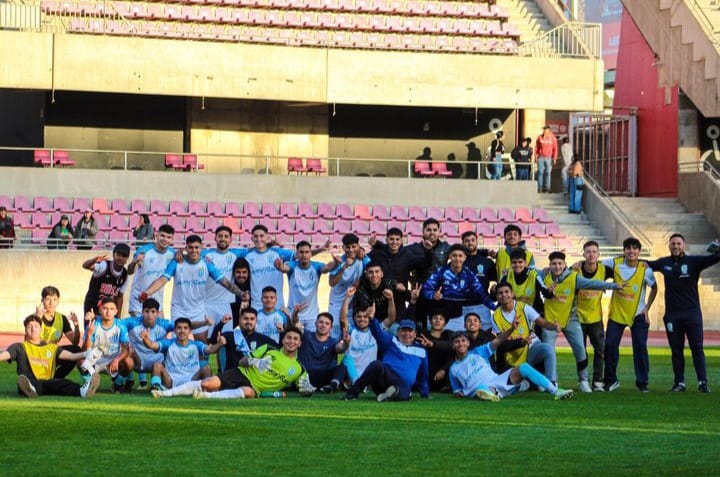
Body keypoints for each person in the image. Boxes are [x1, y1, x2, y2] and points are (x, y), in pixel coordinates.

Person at [152, 326, 312, 400]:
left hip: (256, 388)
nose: (291, 341)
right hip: (242, 373)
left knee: (248, 392)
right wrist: (254, 361)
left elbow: (304, 390)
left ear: (300, 344)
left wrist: (308, 390)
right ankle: (164, 393)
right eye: (288, 338)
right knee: (208, 383)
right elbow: (242, 362)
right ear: (283, 340)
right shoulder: (269, 349)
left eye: (295, 339)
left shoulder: (300, 369)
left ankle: (206, 397)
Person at [647, 233, 720, 392]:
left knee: (697, 348)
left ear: (683, 246)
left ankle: (702, 383)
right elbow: (647, 264)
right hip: (672, 315)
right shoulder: (664, 263)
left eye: (678, 244)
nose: (675, 246)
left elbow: (715, 258)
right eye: (673, 244)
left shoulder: (694, 262)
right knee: (676, 350)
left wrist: (717, 247)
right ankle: (679, 383)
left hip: (692, 314)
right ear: (669, 246)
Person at [140, 235, 247, 343]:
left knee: (202, 341)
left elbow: (225, 282)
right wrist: (147, 293)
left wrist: (239, 293)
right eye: (190, 247)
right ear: (186, 248)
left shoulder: (206, 264)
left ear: (201, 248)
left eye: (196, 247)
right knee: (177, 341)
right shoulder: (177, 262)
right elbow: (162, 280)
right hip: (179, 309)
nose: (193, 250)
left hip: (198, 309)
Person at [541, 251, 620, 392]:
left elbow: (592, 283)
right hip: (550, 321)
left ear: (565, 265)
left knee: (580, 349)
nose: (557, 267)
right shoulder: (543, 276)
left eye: (560, 263)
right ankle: (551, 381)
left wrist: (613, 286)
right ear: (549, 265)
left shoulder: (573, 277)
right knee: (548, 351)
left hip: (571, 319)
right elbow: (527, 272)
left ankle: (583, 381)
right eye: (554, 264)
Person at [449, 327, 573, 402]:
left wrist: (512, 329)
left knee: (524, 367)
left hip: (497, 380)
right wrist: (460, 394)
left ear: (468, 343)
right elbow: (458, 391)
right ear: (453, 345)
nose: (460, 344)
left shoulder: (478, 352)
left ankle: (555, 391)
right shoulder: (453, 369)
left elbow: (497, 341)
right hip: (479, 389)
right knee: (481, 390)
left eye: (463, 341)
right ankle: (493, 394)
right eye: (457, 342)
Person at [602, 237, 658, 392]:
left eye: (635, 248)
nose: (631, 251)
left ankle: (642, 383)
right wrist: (578, 263)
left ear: (639, 251)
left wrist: (647, 308)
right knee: (610, 345)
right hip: (617, 313)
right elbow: (594, 263)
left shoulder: (645, 269)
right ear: (624, 250)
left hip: (638, 315)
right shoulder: (615, 263)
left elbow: (655, 288)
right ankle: (611, 380)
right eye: (628, 248)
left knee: (640, 346)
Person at [0, 315, 100, 399]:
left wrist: (86, 354)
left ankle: (83, 391)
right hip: (29, 380)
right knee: (33, 383)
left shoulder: (51, 347)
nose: (32, 329)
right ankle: (29, 389)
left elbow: (71, 356)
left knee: (61, 383)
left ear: (40, 329)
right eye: (29, 327)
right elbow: (4, 355)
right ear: (25, 330)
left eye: (35, 326)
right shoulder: (18, 347)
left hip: (47, 381)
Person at [341, 319, 429, 402]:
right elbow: (378, 333)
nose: (407, 333)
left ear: (415, 334)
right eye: (404, 330)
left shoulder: (421, 351)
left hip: (403, 385)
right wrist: (372, 319)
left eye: (410, 331)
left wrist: (424, 393)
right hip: (385, 379)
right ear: (398, 332)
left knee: (404, 391)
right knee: (376, 364)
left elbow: (423, 374)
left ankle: (390, 394)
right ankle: (353, 393)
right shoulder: (391, 341)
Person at [491, 282, 559, 382]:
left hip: (531, 348)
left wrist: (554, 326)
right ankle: (528, 381)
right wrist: (518, 340)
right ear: (497, 296)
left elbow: (542, 322)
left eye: (506, 292)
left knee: (547, 349)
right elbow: (501, 343)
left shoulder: (524, 307)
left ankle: (552, 382)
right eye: (500, 293)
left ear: (512, 294)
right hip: (513, 356)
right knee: (521, 387)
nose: (504, 295)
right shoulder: (495, 316)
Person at [422, 244, 497, 331]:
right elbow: (425, 290)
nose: (457, 259)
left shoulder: (469, 275)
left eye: (460, 256)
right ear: (450, 256)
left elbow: (481, 294)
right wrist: (433, 295)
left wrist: (495, 308)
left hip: (457, 317)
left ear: (465, 257)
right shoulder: (440, 272)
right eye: (454, 256)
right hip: (438, 317)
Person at [142, 317, 224, 392]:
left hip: (192, 380)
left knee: (206, 368)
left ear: (190, 331)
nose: (182, 331)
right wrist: (146, 339)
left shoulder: (196, 344)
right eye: (179, 328)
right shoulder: (168, 343)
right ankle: (155, 388)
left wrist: (219, 344)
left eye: (185, 328)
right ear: (174, 330)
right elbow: (152, 345)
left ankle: (208, 391)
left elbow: (210, 350)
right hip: (171, 381)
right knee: (157, 365)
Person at [575, 240, 615, 392]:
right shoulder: (575, 270)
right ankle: (583, 380)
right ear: (583, 254)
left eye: (594, 252)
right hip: (578, 317)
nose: (591, 254)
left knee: (600, 349)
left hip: (595, 317)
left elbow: (622, 273)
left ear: (599, 254)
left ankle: (598, 381)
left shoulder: (605, 270)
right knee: (581, 350)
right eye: (588, 252)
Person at [274, 240, 337, 331]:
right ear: (297, 254)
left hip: (312, 316)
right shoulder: (292, 266)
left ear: (310, 253)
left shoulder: (316, 266)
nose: (304, 255)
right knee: (294, 342)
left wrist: (335, 263)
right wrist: (279, 266)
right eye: (301, 252)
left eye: (307, 252)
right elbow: (284, 268)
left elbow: (327, 268)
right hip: (294, 314)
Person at [368, 227, 431, 317]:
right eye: (391, 239)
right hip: (380, 299)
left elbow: (424, 265)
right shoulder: (378, 253)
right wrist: (361, 250)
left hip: (400, 300)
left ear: (402, 240)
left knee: (398, 328)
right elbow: (364, 260)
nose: (394, 242)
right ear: (386, 240)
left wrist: (427, 251)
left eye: (397, 239)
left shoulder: (407, 255)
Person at [202, 226, 251, 334]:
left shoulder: (235, 254)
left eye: (226, 236)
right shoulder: (205, 255)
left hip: (226, 303)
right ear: (215, 238)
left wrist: (270, 244)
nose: (223, 239)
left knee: (226, 337)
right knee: (208, 337)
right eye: (220, 236)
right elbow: (188, 254)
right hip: (207, 302)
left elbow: (256, 248)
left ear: (230, 239)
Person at [119, 298, 175, 391]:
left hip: (157, 361)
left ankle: (156, 385)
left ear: (158, 313)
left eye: (153, 312)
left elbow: (184, 326)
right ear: (142, 312)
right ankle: (119, 383)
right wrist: (96, 320)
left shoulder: (164, 324)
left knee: (172, 349)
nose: (150, 315)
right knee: (128, 352)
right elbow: (115, 323)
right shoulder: (133, 322)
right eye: (147, 311)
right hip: (137, 360)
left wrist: (204, 323)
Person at [82, 298, 132, 392]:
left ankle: (117, 384)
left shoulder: (120, 326)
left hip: (112, 362)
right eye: (105, 308)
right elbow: (85, 349)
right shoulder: (93, 324)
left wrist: (117, 359)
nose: (108, 312)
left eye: (112, 309)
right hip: (95, 360)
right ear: (100, 310)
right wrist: (89, 335)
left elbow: (126, 349)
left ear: (116, 311)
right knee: (80, 360)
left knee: (129, 362)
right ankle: (89, 384)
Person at [33, 285, 82, 378]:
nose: (51, 303)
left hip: (52, 353)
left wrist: (76, 325)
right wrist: (37, 318)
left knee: (76, 350)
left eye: (55, 299)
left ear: (58, 301)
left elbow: (75, 342)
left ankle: (56, 378)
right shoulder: (34, 318)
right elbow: (30, 340)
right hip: (37, 355)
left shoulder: (61, 318)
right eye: (48, 299)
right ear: (42, 301)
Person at [127, 224, 175, 317]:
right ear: (156, 235)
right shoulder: (144, 250)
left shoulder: (172, 254)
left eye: (169, 237)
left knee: (160, 330)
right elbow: (130, 271)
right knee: (139, 330)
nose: (165, 239)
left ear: (172, 239)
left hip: (157, 300)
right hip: (138, 299)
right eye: (162, 236)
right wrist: (134, 262)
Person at [209, 306, 276, 372]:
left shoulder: (262, 338)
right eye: (246, 319)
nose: (249, 322)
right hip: (231, 376)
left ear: (256, 321)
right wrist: (221, 324)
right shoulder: (230, 335)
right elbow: (212, 341)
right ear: (240, 319)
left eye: (252, 319)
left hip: (251, 378)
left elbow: (279, 348)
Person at [328, 233, 370, 339]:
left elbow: (371, 274)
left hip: (353, 303)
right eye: (348, 247)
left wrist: (360, 280)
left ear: (358, 246)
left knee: (351, 333)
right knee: (336, 334)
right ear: (343, 248)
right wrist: (344, 267)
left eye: (354, 246)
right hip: (336, 303)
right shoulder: (338, 262)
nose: (351, 250)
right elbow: (331, 283)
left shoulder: (364, 259)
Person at [295, 312, 349, 394]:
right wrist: (295, 313)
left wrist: (346, 343)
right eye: (321, 322)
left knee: (342, 367)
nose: (323, 325)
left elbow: (340, 348)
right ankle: (339, 385)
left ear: (330, 327)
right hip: (307, 376)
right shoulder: (306, 336)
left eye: (327, 324)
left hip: (324, 377)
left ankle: (332, 386)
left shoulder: (333, 342)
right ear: (316, 324)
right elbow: (296, 324)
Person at [339, 288, 384, 384]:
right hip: (353, 373)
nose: (362, 319)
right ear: (354, 318)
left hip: (370, 374)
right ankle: (356, 383)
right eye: (359, 316)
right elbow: (343, 319)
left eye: (365, 317)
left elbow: (391, 319)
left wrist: (390, 299)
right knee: (346, 358)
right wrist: (347, 298)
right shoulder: (351, 331)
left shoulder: (375, 331)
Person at [81, 243, 131, 321]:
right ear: (114, 255)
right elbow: (85, 266)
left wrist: (118, 317)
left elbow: (119, 296)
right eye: (118, 254)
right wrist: (94, 260)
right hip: (92, 306)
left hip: (108, 310)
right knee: (90, 330)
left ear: (127, 258)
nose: (120, 258)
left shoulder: (125, 275)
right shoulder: (104, 266)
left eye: (124, 256)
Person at [461, 231, 497, 331]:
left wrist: (493, 292)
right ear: (462, 243)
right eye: (467, 241)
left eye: (473, 240)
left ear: (477, 242)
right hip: (462, 306)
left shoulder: (487, 262)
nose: (470, 243)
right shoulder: (458, 262)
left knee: (486, 335)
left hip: (482, 306)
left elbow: (497, 281)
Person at [416, 311, 454, 391]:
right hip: (422, 373)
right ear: (430, 321)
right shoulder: (423, 334)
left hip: (440, 375)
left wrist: (443, 369)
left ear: (445, 323)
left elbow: (451, 357)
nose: (437, 320)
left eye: (441, 319)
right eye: (435, 318)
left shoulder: (448, 338)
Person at [535, 125, 558, 193]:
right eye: (544, 130)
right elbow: (537, 147)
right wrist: (535, 156)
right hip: (541, 157)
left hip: (549, 158)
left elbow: (555, 149)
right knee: (540, 173)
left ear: (549, 131)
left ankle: (547, 188)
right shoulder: (539, 137)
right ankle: (540, 188)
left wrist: (554, 158)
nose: (544, 131)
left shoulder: (553, 138)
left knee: (548, 173)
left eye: (546, 130)